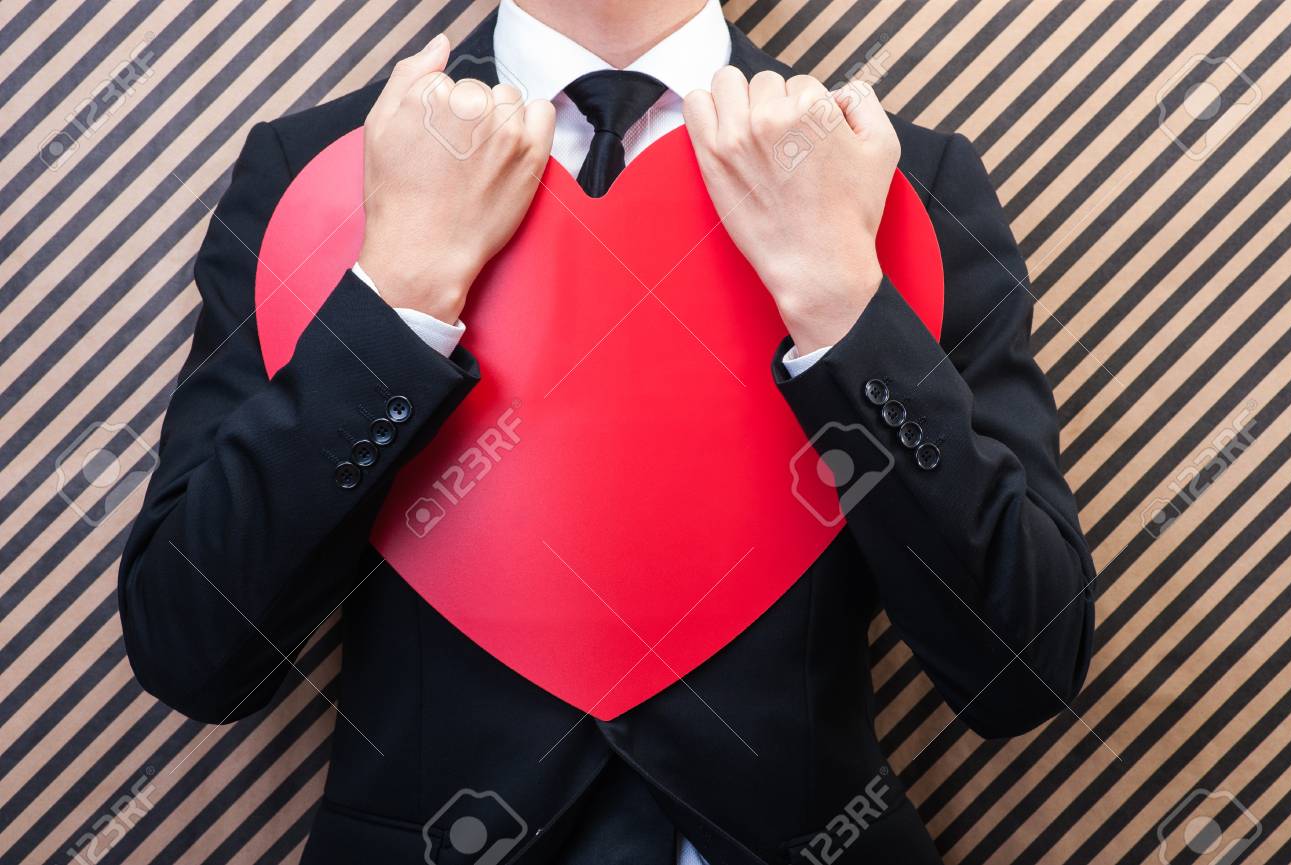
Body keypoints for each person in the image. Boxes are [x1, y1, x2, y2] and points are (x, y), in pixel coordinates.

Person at [117, 1, 1096, 863]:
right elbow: (192, 649)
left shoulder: (891, 179)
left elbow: (1025, 668)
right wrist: (400, 295)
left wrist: (841, 307)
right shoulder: (324, 172)